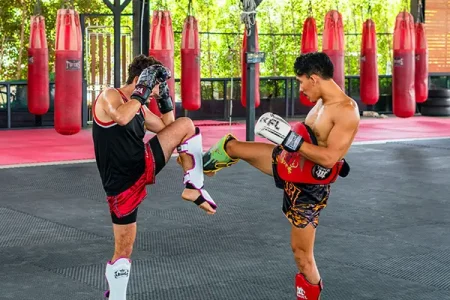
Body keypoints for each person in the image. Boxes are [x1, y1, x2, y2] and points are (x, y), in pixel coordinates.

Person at [203, 52, 360, 300]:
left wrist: (290, 139)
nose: (301, 88)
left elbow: (329, 158)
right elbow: (308, 140)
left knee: (302, 256)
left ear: (315, 78)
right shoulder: (320, 103)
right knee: (232, 147)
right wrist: (290, 141)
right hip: (289, 162)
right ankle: (194, 176)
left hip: (308, 190)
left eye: (301, 82)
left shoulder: (346, 110)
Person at [92, 54, 216, 300]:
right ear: (140, 80)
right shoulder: (110, 95)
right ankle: (116, 296)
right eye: (156, 86)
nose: (156, 92)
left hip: (142, 165)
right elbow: (121, 117)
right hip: (120, 185)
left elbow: (170, 127)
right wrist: (142, 91)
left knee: (186, 125)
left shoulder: (142, 107)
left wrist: (167, 100)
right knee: (125, 248)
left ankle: (193, 186)